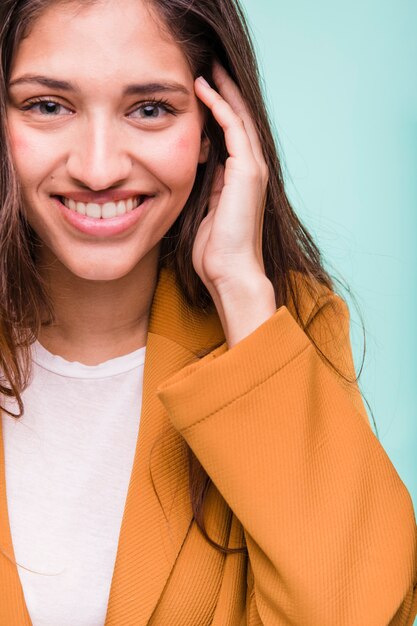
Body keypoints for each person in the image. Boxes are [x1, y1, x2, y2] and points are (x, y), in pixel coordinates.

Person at [0, 0, 415, 624]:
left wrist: (242, 291)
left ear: (212, 131)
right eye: (48, 106)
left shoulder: (278, 332)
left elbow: (355, 611)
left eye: (150, 109)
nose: (98, 167)